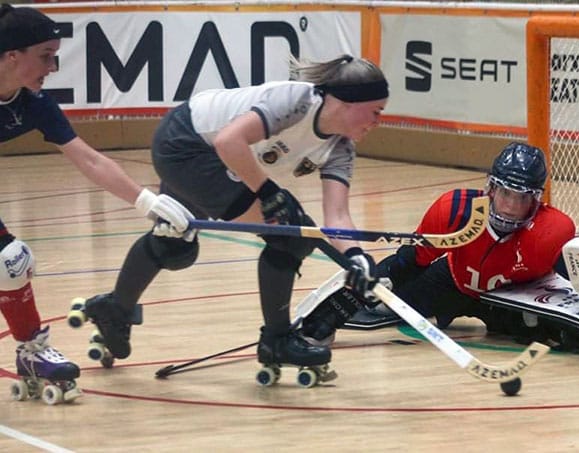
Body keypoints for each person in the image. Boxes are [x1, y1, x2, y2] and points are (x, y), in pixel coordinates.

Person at [79, 52, 388, 372]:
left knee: (175, 245)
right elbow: (229, 141)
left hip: (212, 153)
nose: (379, 122)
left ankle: (115, 308)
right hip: (187, 144)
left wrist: (357, 257)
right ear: (349, 103)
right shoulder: (297, 102)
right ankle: (277, 340)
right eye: (376, 112)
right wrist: (267, 192)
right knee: (292, 235)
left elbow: (337, 216)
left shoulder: (341, 147)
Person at [302, 142, 579, 358]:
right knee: (389, 305)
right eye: (504, 193)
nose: (509, 206)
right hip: (452, 281)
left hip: (511, 294)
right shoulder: (454, 210)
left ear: (537, 201)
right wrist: (353, 297)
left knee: (550, 333)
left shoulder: (553, 229)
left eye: (521, 198)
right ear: (490, 188)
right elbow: (408, 261)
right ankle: (320, 318)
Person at [0, 4, 193, 402]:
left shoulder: (32, 104)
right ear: (12, 55)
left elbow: (89, 158)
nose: (52, 67)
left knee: (10, 261)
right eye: (45, 57)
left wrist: (148, 203)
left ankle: (33, 352)